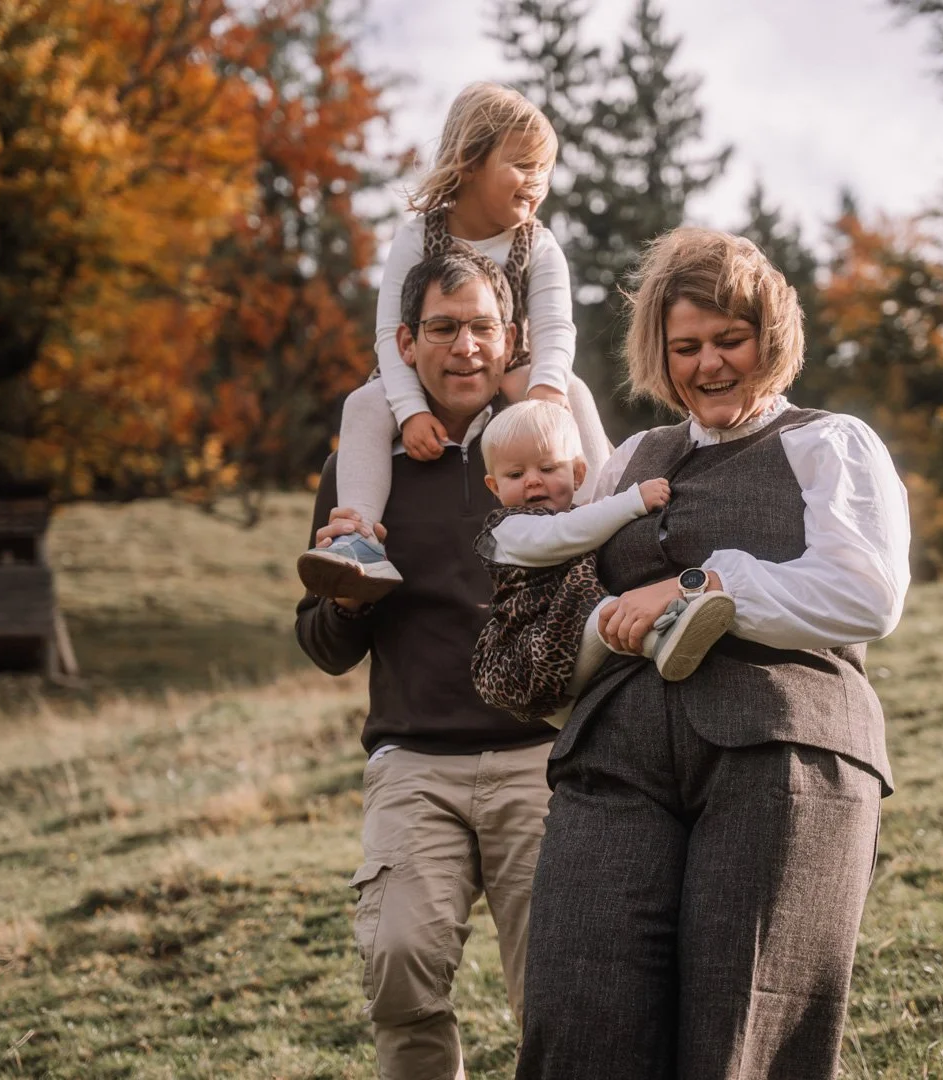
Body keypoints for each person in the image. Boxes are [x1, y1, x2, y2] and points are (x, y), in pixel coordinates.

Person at [514, 228, 913, 1080]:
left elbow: (867, 595)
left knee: (743, 1033)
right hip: (614, 761)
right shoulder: (631, 458)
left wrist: (703, 586)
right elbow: (557, 578)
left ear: (771, 338)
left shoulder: (829, 443)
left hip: (784, 752)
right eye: (685, 346)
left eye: (729, 340)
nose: (708, 365)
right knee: (575, 1018)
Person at [295, 246, 558, 1079]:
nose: (465, 347)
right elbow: (324, 645)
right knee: (399, 964)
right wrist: (345, 596)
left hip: (543, 758)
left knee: (558, 988)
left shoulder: (546, 454)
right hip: (414, 761)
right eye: (443, 329)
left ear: (511, 336)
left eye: (482, 327)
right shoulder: (364, 468)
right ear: (406, 343)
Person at [298, 81, 610, 603]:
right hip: (420, 373)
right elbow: (388, 334)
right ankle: (357, 541)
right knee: (363, 404)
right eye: (523, 165)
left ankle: (608, 517)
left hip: (517, 367)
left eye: (544, 170)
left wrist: (546, 393)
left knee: (575, 392)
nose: (538, 182)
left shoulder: (539, 243)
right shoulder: (419, 236)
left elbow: (556, 329)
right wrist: (410, 410)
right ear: (470, 161)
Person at [470, 399, 737, 728]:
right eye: (515, 474)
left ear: (578, 473)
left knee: (602, 616)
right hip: (531, 651)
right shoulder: (507, 528)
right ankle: (663, 638)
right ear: (494, 486)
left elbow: (584, 524)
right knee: (604, 612)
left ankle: (671, 629)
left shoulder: (582, 514)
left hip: (572, 663)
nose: (532, 481)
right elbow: (566, 533)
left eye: (548, 468)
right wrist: (632, 501)